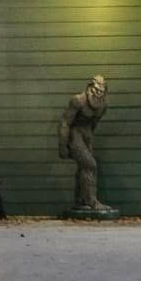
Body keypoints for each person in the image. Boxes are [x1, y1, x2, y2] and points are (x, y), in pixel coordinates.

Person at [57, 74, 112, 214]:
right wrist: (63, 145)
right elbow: (65, 123)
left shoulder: (103, 106)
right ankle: (91, 201)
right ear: (90, 88)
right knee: (90, 165)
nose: (98, 93)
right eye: (96, 90)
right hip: (75, 134)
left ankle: (80, 201)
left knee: (83, 168)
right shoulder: (78, 101)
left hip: (86, 134)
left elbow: (94, 123)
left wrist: (89, 138)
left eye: (101, 91)